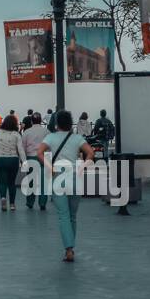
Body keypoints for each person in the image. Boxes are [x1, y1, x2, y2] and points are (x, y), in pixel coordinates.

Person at [38, 110, 95, 263]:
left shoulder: (50, 137)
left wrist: (49, 167)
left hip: (58, 178)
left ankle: (68, 250)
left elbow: (39, 153)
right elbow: (90, 152)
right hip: (74, 177)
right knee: (72, 216)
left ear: (57, 123)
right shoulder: (77, 138)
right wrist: (83, 165)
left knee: (63, 215)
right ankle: (71, 248)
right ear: (70, 123)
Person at [0, 113, 26, 212]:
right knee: (11, 183)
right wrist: (24, 162)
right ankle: (12, 204)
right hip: (13, 160)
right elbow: (20, 149)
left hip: (0, 159)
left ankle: (3, 198)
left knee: (2, 182)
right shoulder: (16, 134)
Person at [21, 111, 48, 211]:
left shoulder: (27, 132)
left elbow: (22, 147)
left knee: (31, 182)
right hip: (43, 158)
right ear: (41, 121)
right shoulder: (46, 131)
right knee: (43, 181)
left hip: (31, 157)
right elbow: (49, 146)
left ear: (31, 121)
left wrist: (23, 161)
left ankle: (30, 202)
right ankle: (42, 203)